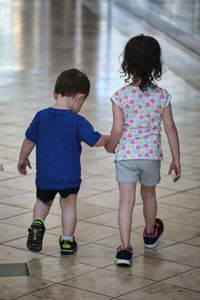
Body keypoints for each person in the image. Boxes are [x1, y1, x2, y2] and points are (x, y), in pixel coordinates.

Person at [106, 34, 181, 266]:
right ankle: (150, 233)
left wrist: (111, 144)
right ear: (156, 64)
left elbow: (117, 129)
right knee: (149, 195)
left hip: (127, 156)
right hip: (151, 156)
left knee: (126, 202)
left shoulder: (120, 96)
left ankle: (125, 249)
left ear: (127, 64)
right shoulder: (162, 96)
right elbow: (170, 128)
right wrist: (176, 159)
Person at [17, 68, 109, 255]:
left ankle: (37, 223)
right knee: (68, 206)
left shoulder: (41, 116)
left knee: (43, 202)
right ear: (80, 98)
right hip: (69, 176)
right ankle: (67, 241)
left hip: (46, 175)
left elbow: (29, 140)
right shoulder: (78, 121)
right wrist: (109, 139)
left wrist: (22, 158)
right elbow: (96, 140)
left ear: (54, 93)